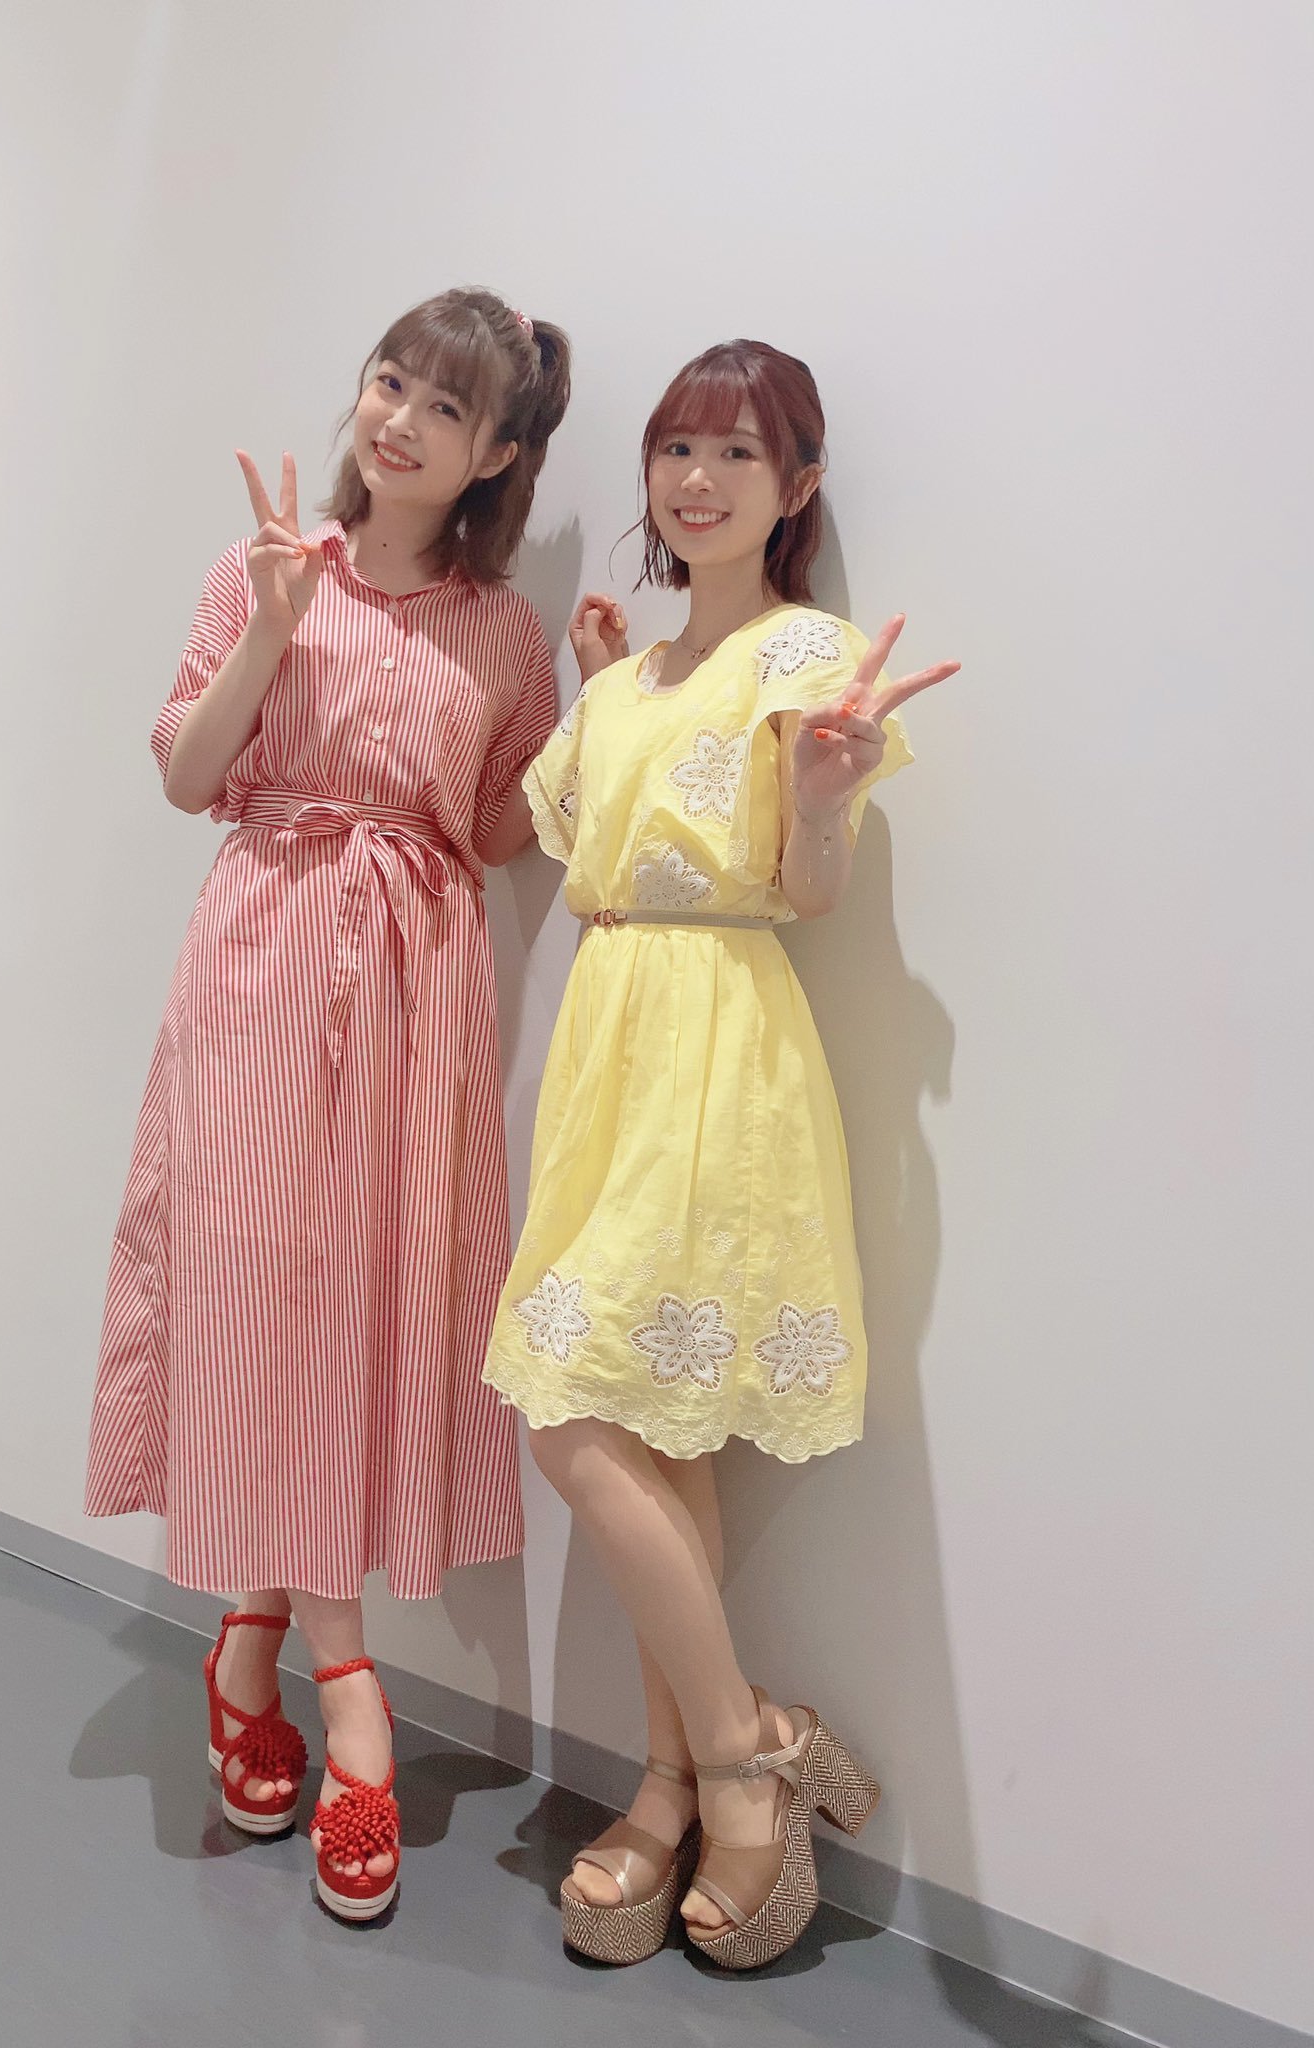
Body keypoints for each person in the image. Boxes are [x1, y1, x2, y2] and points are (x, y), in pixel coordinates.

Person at [85, 287, 570, 1922]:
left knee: (364, 1308)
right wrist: (277, 627)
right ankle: (342, 1676)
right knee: (247, 1296)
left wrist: (599, 710)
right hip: (260, 960)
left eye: (447, 408)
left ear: (495, 452)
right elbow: (186, 777)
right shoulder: (263, 569)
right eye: (390, 382)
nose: (400, 421)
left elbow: (495, 834)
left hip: (417, 996)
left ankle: (251, 1635)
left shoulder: (501, 635)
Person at [481, 339, 958, 1967]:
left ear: (797, 485)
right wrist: (591, 674)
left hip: (720, 1053)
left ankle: (739, 1772)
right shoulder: (621, 684)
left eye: (739, 454)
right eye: (676, 448)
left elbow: (808, 890)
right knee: (644, 1434)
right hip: (606, 1053)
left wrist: (822, 793)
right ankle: (693, 1772)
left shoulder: (806, 657)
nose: (697, 480)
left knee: (575, 1423)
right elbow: (550, 832)